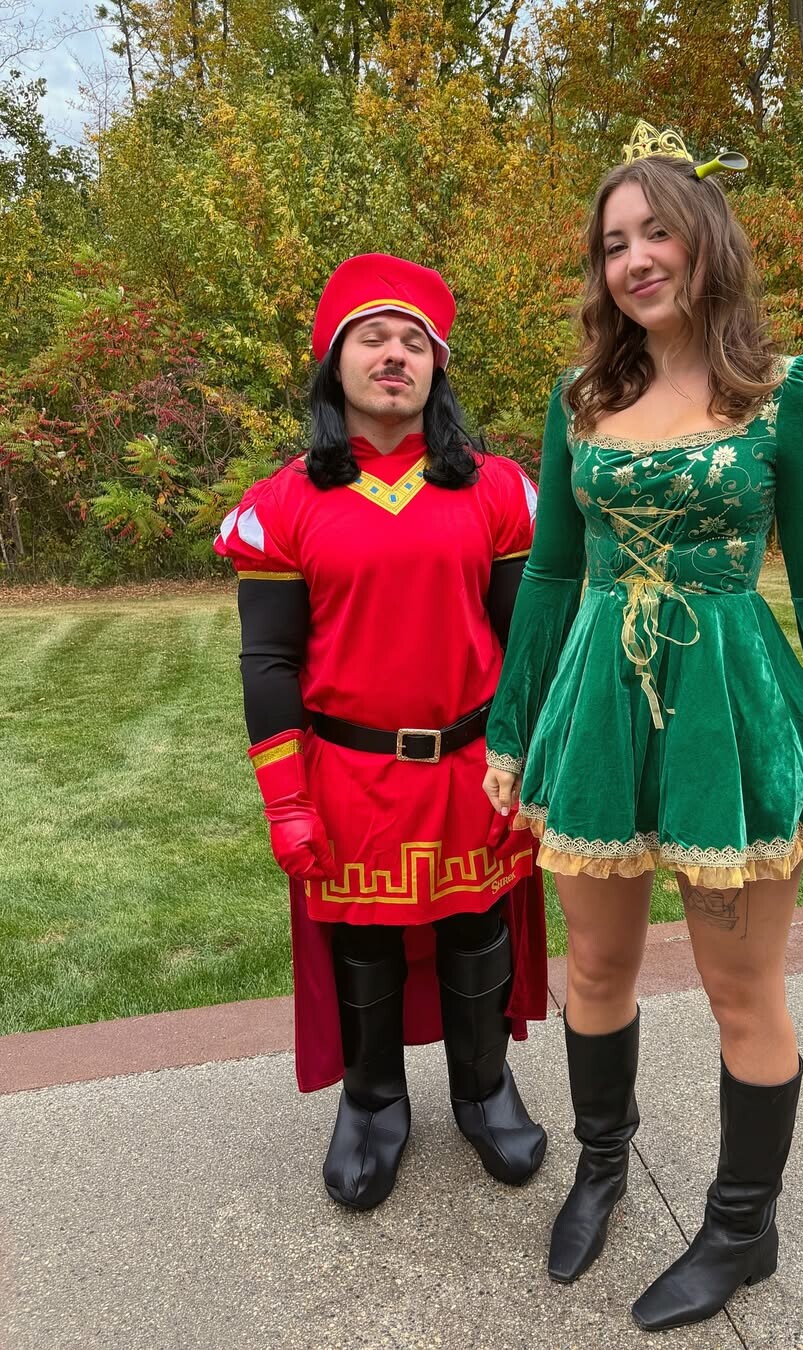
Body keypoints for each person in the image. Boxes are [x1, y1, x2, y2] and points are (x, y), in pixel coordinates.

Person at [482, 121, 803, 1332]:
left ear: (705, 240)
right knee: (596, 966)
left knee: (742, 987)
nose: (634, 259)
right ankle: (601, 1167)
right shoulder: (579, 399)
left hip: (730, 709)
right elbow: (551, 574)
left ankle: (742, 1228)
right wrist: (509, 732)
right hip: (597, 708)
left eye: (656, 233)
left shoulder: (787, 394)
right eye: (613, 243)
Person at [216, 252, 549, 1213]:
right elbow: (269, 663)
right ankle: (372, 1102)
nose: (395, 355)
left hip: (475, 767)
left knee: (477, 930)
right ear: (336, 362)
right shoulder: (284, 504)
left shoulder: (495, 490)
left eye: (414, 341)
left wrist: (530, 766)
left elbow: (524, 644)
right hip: (349, 774)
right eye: (373, 338)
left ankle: (484, 1090)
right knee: (362, 944)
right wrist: (286, 801)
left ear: (438, 367)